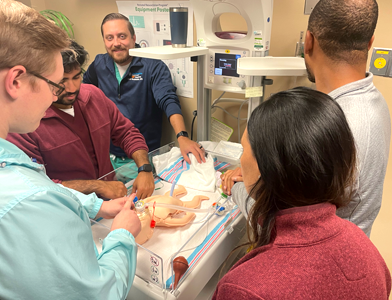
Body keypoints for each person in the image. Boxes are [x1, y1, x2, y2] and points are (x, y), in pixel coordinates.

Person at [0, 1, 141, 299]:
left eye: (76, 77)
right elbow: (98, 293)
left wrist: (96, 206)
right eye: (54, 83)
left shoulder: (11, 167)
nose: (63, 91)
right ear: (16, 81)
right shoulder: (28, 199)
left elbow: (42, 187)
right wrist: (122, 235)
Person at [221, 0, 391, 237]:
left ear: (308, 41)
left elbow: (285, 228)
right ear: (370, 42)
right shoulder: (375, 102)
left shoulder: (339, 127)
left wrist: (240, 188)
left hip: (324, 262)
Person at [213, 87, 391, 299]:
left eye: (244, 151)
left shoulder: (244, 288)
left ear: (268, 169)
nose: (241, 161)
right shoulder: (366, 250)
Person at [8, 40, 155, 200]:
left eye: (77, 77)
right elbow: (38, 185)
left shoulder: (94, 96)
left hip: (111, 200)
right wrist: (97, 186)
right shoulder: (26, 123)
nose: (71, 88)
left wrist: (144, 168)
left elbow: (126, 133)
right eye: (62, 81)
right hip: (70, 208)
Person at [83, 13, 206, 168]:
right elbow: (83, 94)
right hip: (105, 156)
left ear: (134, 38)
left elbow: (168, 100)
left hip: (142, 158)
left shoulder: (152, 66)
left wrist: (182, 136)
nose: (116, 43)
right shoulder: (99, 65)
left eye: (122, 36)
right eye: (109, 38)